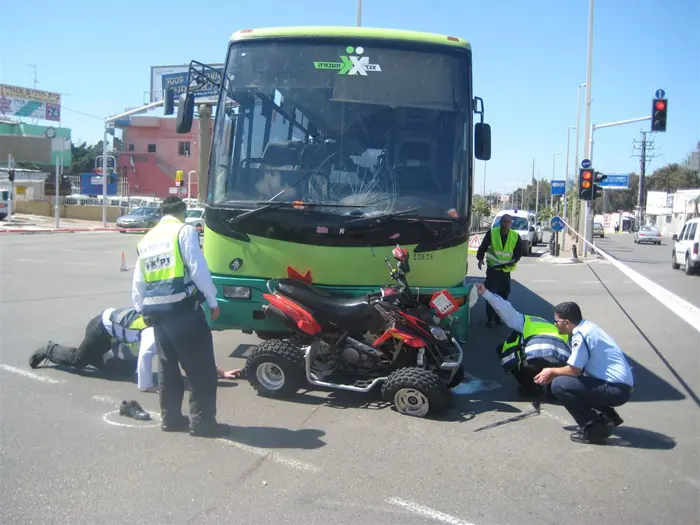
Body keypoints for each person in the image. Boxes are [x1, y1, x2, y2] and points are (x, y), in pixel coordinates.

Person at [133, 196, 227, 438]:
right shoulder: (183, 231)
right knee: (201, 369)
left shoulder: (147, 239)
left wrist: (140, 310)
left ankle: (171, 419)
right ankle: (202, 423)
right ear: (182, 212)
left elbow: (139, 281)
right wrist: (213, 300)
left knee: (168, 368)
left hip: (157, 314)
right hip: (182, 311)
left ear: (162, 212)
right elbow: (198, 268)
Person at [534, 302, 634, 444]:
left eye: (556, 321)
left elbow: (574, 369)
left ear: (567, 322)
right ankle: (609, 417)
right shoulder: (589, 327)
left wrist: (551, 371)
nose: (555, 324)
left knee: (559, 384)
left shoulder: (580, 335)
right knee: (579, 382)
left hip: (616, 389)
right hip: (621, 386)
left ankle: (594, 428)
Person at [474, 283, 571, 398]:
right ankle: (553, 389)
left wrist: (486, 293)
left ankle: (530, 387)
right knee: (553, 366)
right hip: (561, 362)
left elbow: (504, 308)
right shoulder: (556, 328)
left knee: (516, 356)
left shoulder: (525, 321)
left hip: (536, 358)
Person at [476, 214, 523, 327]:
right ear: (500, 223)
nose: (506, 224)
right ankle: (490, 318)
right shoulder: (492, 233)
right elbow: (483, 247)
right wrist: (480, 258)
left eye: (508, 222)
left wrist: (514, 260)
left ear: (511, 224)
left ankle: (499, 317)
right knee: (490, 293)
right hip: (493, 270)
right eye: (504, 222)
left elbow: (519, 252)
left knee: (503, 295)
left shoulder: (515, 236)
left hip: (506, 271)